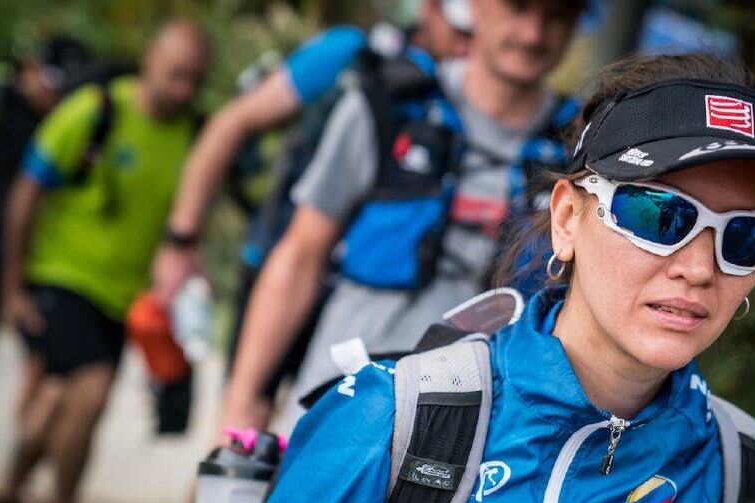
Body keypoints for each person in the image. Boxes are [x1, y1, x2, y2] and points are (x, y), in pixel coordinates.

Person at [182, 52, 755, 503]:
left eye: (745, 238)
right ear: (568, 218)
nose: (698, 267)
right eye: (659, 215)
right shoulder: (394, 418)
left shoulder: (741, 472)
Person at [224, 0, 585, 436]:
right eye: (517, 8)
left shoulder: (581, 150)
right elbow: (300, 254)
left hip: (481, 437)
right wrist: (242, 402)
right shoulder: (387, 105)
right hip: (341, 406)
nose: (533, 33)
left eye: (556, 16)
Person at [152, 0, 472, 426]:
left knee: (323, 430)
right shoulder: (353, 53)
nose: (470, 38)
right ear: (430, 9)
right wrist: (181, 241)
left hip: (364, 294)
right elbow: (232, 123)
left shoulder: (483, 102)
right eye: (461, 23)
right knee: (242, 428)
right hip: (287, 264)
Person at [0, 20, 210, 503]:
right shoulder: (93, 110)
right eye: (176, 74)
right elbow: (25, 194)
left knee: (53, 404)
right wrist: (12, 288)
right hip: (63, 276)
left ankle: (8, 495)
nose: (183, 89)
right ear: (150, 60)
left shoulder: (195, 137)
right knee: (87, 392)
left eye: (195, 80)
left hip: (126, 298)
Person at [0, 36, 91, 405]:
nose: (54, 96)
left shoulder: (70, 123)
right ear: (33, 68)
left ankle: (20, 456)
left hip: (43, 257)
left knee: (46, 365)